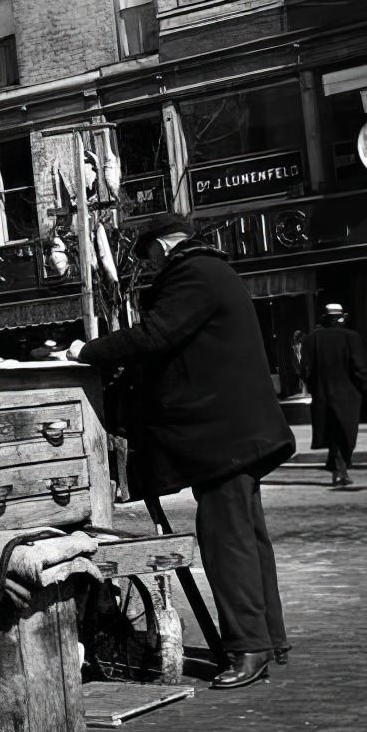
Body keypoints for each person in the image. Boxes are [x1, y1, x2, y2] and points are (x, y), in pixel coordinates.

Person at [67, 212, 296, 690]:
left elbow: (156, 336)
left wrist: (85, 352)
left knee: (226, 542)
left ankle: (248, 647)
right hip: (236, 435)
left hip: (226, 438)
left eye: (147, 255)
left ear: (164, 245)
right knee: (248, 538)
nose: (148, 266)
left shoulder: (193, 272)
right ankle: (268, 636)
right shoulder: (214, 271)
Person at [300, 304, 367, 487]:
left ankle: (337, 467)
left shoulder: (312, 339)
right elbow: (362, 368)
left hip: (324, 395)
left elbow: (304, 370)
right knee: (347, 434)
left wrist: (314, 387)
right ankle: (341, 470)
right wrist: (362, 386)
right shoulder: (352, 338)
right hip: (349, 395)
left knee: (332, 433)